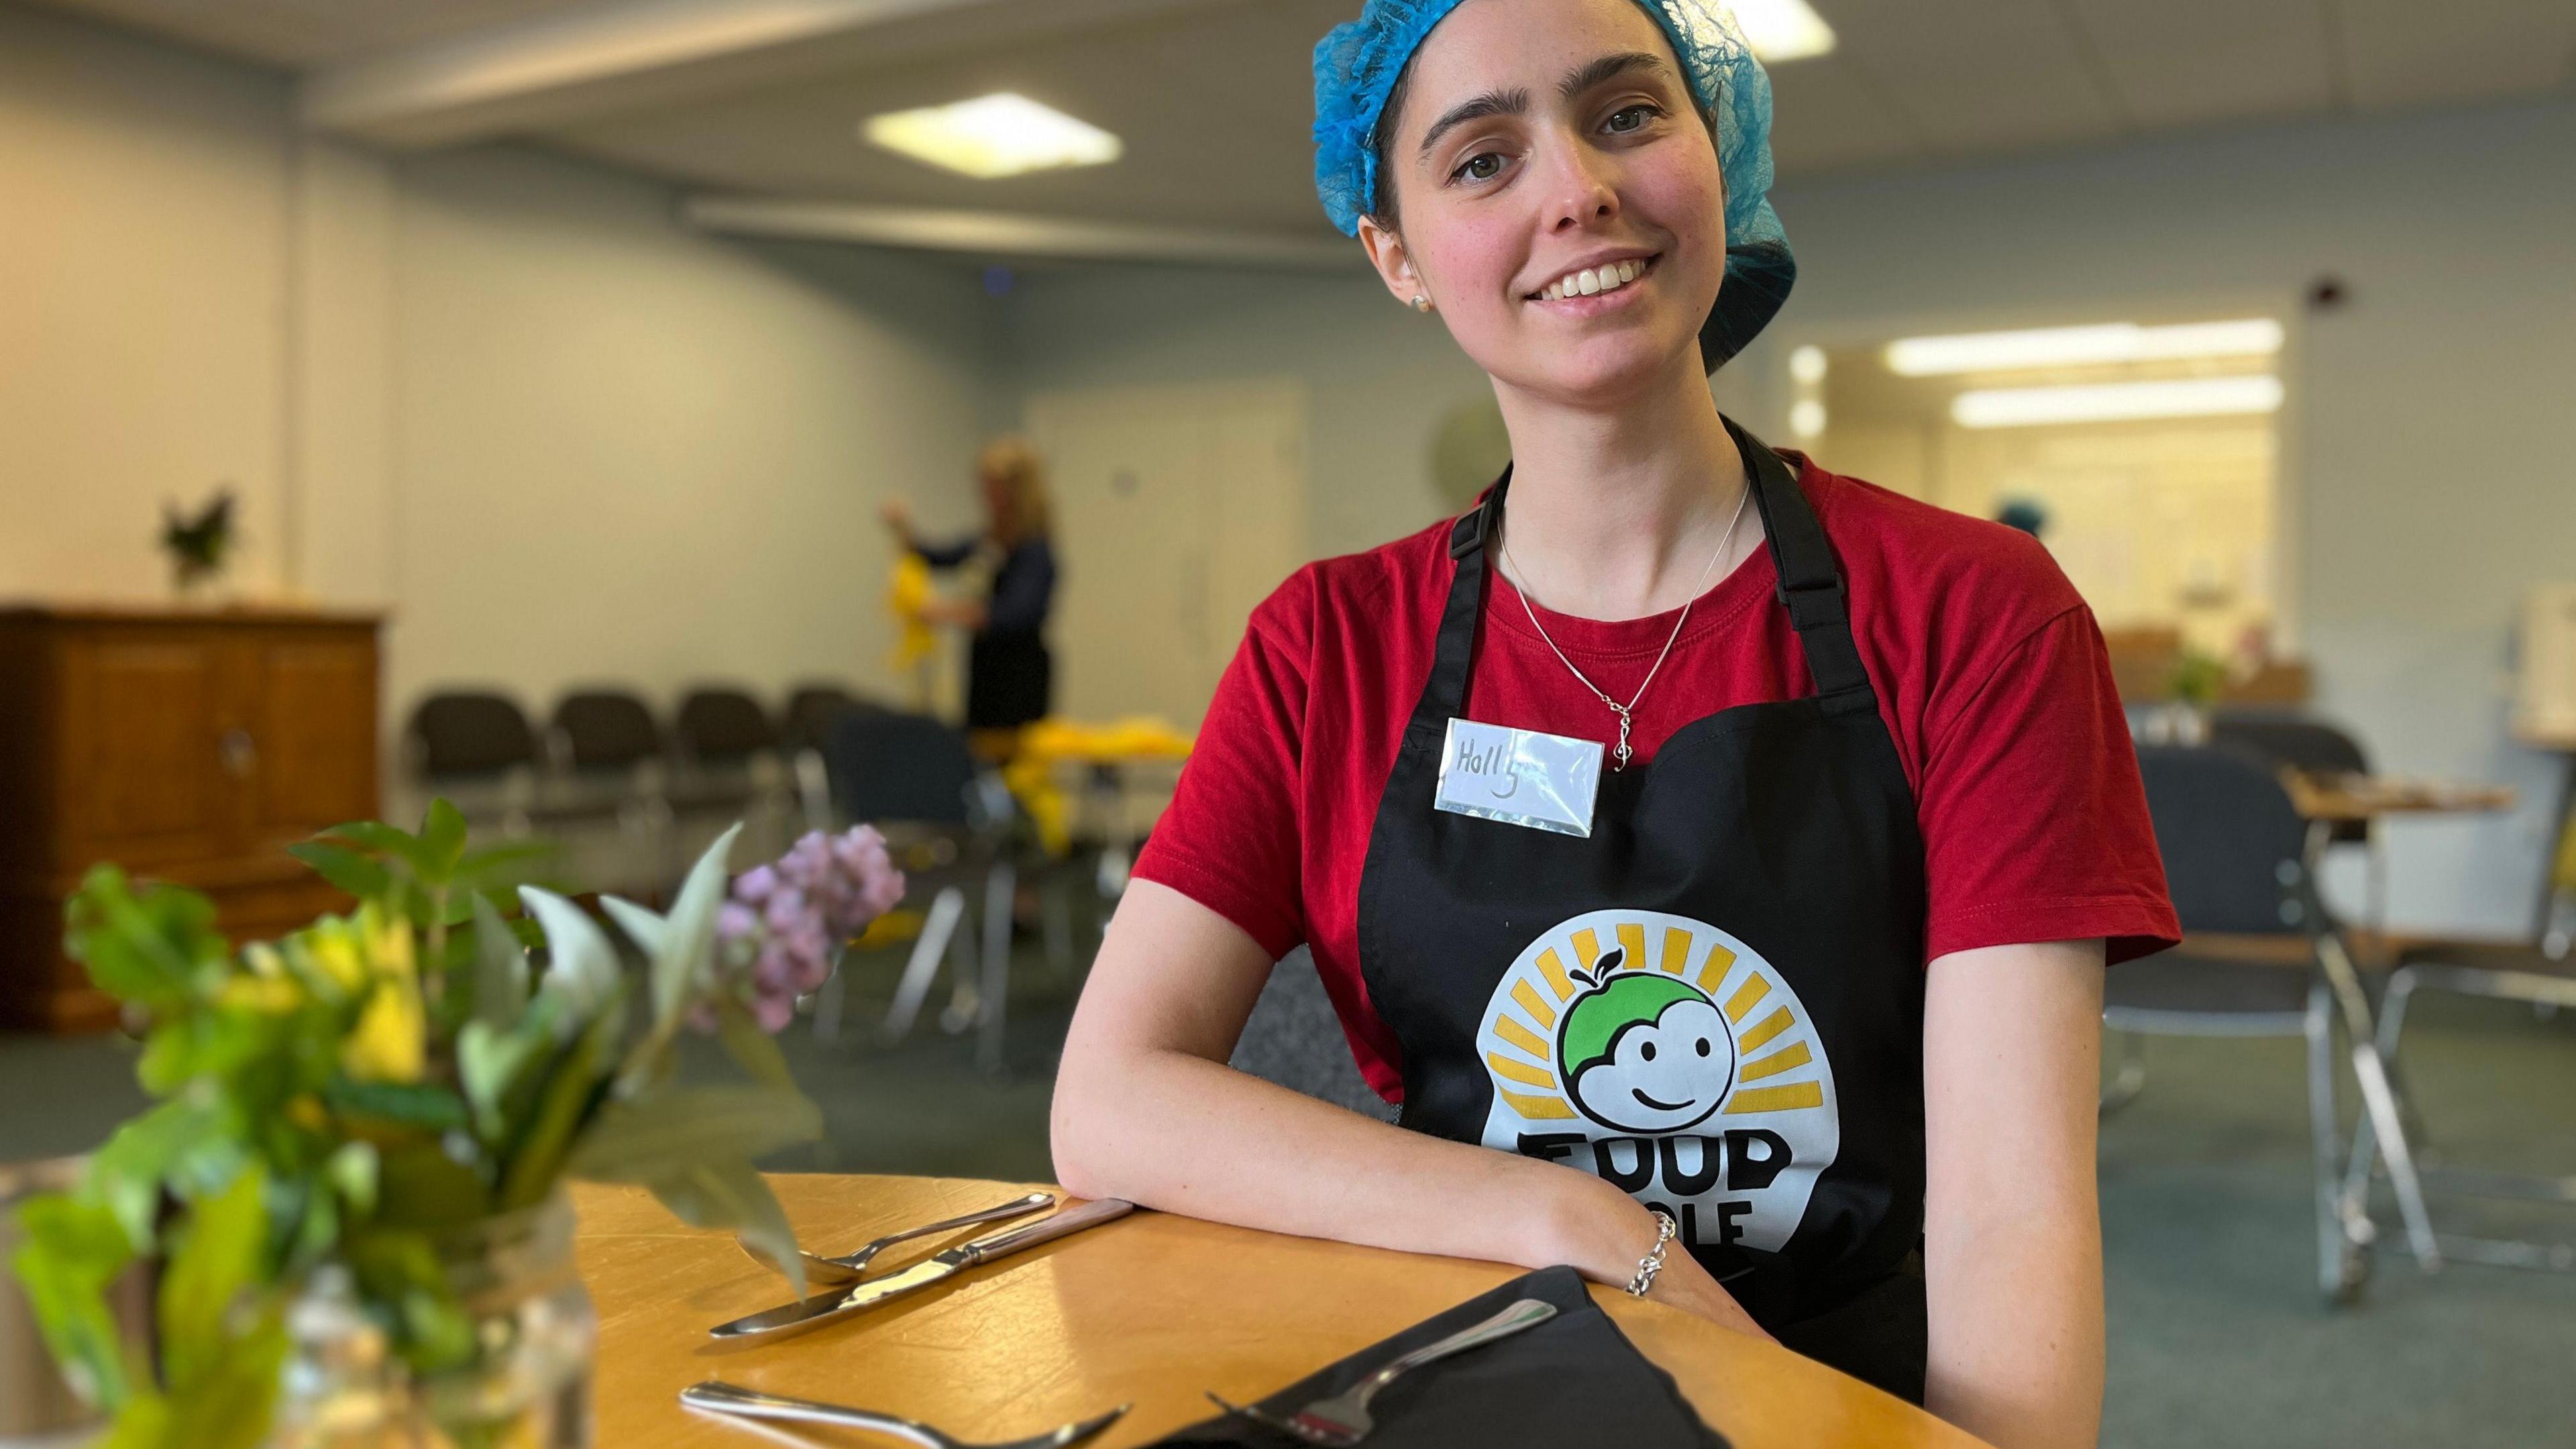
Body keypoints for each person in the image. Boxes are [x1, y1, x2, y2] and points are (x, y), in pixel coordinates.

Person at [1051, 3, 2177, 1446]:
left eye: (1629, 114)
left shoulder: (1975, 615)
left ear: (1721, 153)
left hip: (1856, 1403)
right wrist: (1569, 1215)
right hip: (1466, 1371)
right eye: (1478, 159)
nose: (1575, 186)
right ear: (1394, 254)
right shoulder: (1327, 647)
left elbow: (2010, 1216)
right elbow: (1109, 1101)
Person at [879, 438, 1059, 739]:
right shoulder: (987, 542)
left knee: (1009, 756)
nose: (985, 494)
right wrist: (902, 527)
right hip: (984, 666)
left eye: (992, 486)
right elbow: (935, 556)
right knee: (978, 746)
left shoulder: (1034, 551)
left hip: (1018, 673)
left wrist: (944, 613)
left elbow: (1015, 614)